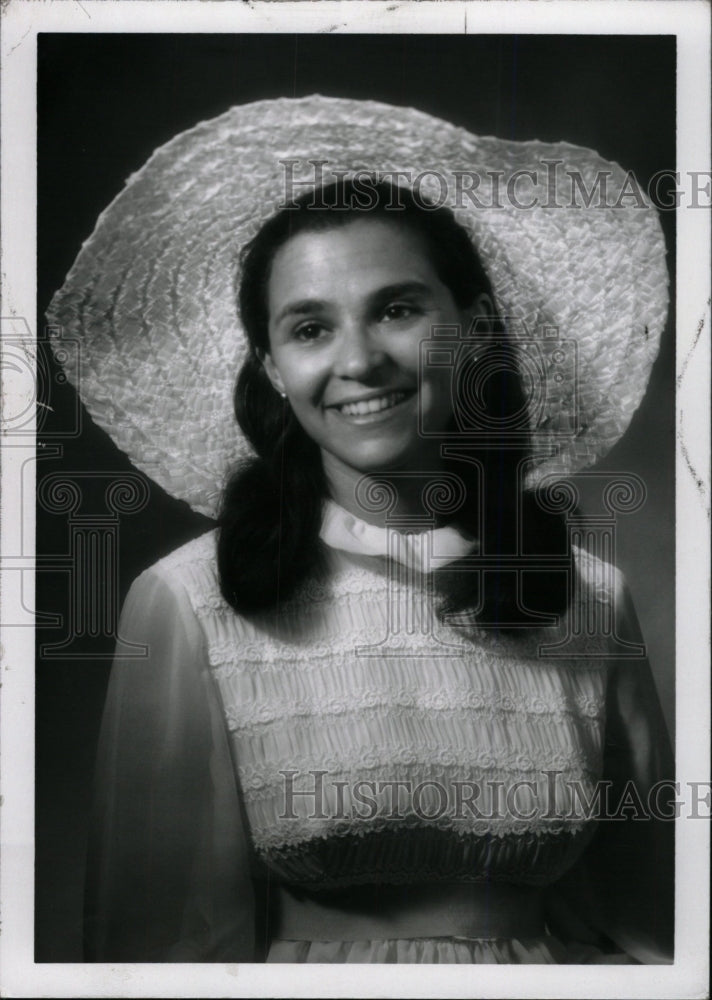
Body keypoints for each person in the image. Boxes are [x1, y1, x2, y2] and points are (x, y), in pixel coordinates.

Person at [47, 95, 674, 964]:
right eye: (310, 328)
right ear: (272, 369)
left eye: (398, 309)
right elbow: (155, 950)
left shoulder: (593, 599)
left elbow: (655, 937)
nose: (358, 362)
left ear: (476, 326)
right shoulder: (189, 601)